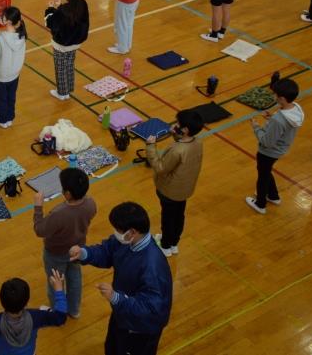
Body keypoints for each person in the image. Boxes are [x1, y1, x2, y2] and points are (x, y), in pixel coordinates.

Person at [69, 202, 173, 354]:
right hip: (123, 313)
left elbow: (151, 309)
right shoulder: (126, 242)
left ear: (132, 232)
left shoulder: (153, 267)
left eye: (118, 230)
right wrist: (85, 254)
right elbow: (107, 251)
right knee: (112, 348)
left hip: (140, 328)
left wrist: (116, 298)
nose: (115, 233)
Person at [33, 168, 96, 316]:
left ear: (67, 194)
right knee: (75, 279)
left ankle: (58, 312)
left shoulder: (59, 213)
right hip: (78, 250)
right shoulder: (91, 204)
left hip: (55, 254)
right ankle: (74, 310)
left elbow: (40, 230)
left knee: (55, 282)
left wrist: (38, 207)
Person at [0, 271, 68, 354]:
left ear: (2, 302)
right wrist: (59, 290)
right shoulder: (36, 317)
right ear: (26, 302)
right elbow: (60, 317)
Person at [146, 110, 204, 257]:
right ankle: (173, 243)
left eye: (178, 123)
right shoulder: (198, 142)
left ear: (185, 129)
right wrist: (175, 135)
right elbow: (182, 144)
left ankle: (165, 246)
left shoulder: (177, 150)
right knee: (178, 216)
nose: (175, 125)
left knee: (168, 218)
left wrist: (151, 146)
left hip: (169, 191)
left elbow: (160, 168)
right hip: (184, 190)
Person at [246, 78, 303, 214]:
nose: (273, 96)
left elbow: (267, 142)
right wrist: (272, 118)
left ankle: (260, 204)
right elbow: (283, 126)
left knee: (263, 175)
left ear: (282, 98)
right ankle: (273, 195)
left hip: (268, 152)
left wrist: (256, 127)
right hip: (280, 149)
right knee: (266, 171)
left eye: (275, 94)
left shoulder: (279, 120)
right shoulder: (296, 108)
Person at [45, 0, 89, 101]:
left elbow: (50, 23)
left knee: (60, 67)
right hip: (75, 42)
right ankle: (68, 90)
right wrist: (60, 7)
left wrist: (50, 9)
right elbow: (71, 18)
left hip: (62, 44)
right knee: (69, 64)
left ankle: (61, 93)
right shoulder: (82, 3)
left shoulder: (64, 10)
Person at [0, 6, 26, 128]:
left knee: (0, 99)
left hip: (2, 75)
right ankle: (9, 118)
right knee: (11, 96)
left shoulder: (2, 39)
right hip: (14, 74)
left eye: (3, 16)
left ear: (8, 21)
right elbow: (9, 41)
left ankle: (2, 120)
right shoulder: (21, 35)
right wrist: (0, 35)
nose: (1, 17)